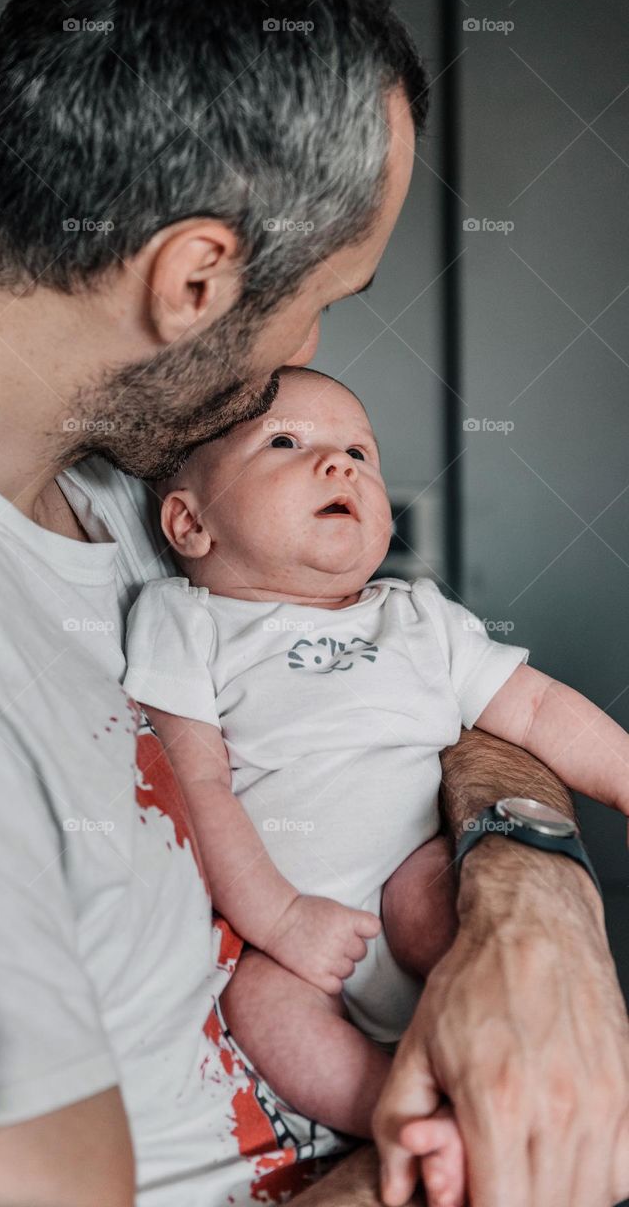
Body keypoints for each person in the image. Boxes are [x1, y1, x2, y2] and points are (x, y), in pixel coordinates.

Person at [0, 0, 626, 1206]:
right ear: (194, 278)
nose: (310, 351)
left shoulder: (129, 475)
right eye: (328, 297)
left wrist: (530, 907)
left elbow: (423, 694)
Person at [123, 363, 629, 1207]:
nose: (340, 466)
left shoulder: (420, 618)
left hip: (410, 869)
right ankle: (395, 1110)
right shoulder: (185, 621)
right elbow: (197, 785)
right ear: (190, 522)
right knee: (264, 1007)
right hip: (283, 910)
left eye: (360, 451)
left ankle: (484, 1081)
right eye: (287, 443)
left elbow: (539, 712)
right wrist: (279, 918)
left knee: (454, 924)